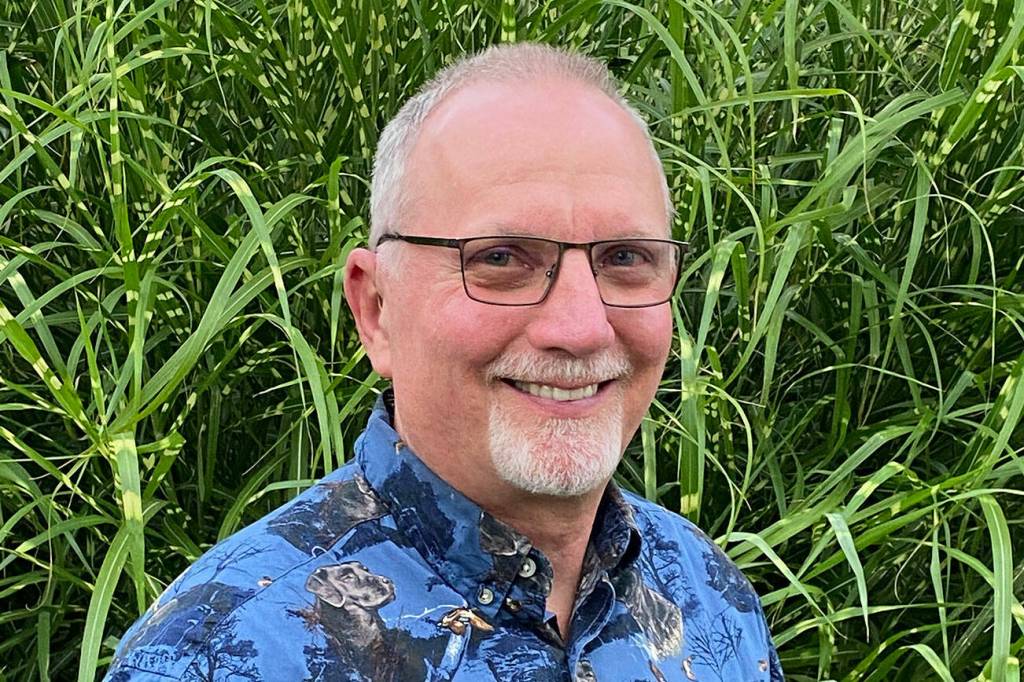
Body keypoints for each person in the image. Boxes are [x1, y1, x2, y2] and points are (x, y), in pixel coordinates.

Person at [105, 43, 783, 681]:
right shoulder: (221, 653)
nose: (580, 328)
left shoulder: (705, 590)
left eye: (626, 258)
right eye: (501, 259)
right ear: (376, 309)